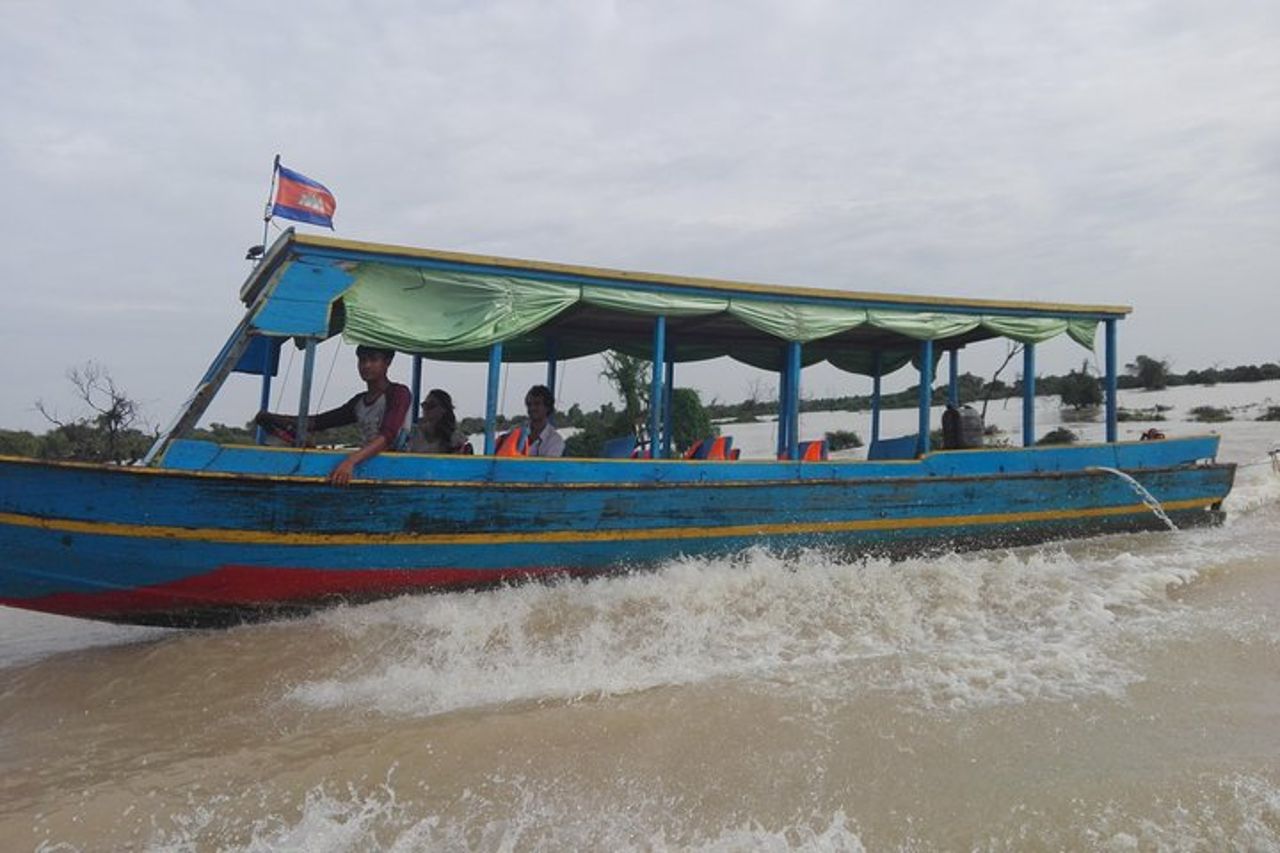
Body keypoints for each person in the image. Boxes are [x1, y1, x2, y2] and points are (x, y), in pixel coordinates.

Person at [255, 345, 410, 485]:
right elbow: (318, 422)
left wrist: (350, 461)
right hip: (367, 463)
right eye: (362, 360)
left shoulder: (398, 393)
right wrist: (274, 418)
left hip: (394, 466)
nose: (366, 365)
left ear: (387, 363)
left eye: (373, 360)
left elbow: (387, 436)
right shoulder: (359, 402)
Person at [408, 388, 472, 454]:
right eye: (424, 405)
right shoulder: (412, 432)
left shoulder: (455, 438)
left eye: (431, 405)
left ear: (444, 409)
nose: (426, 408)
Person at [523, 384, 565, 457]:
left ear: (548, 407)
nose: (532, 408)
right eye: (529, 404)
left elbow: (549, 467)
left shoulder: (555, 440)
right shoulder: (519, 434)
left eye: (537, 404)